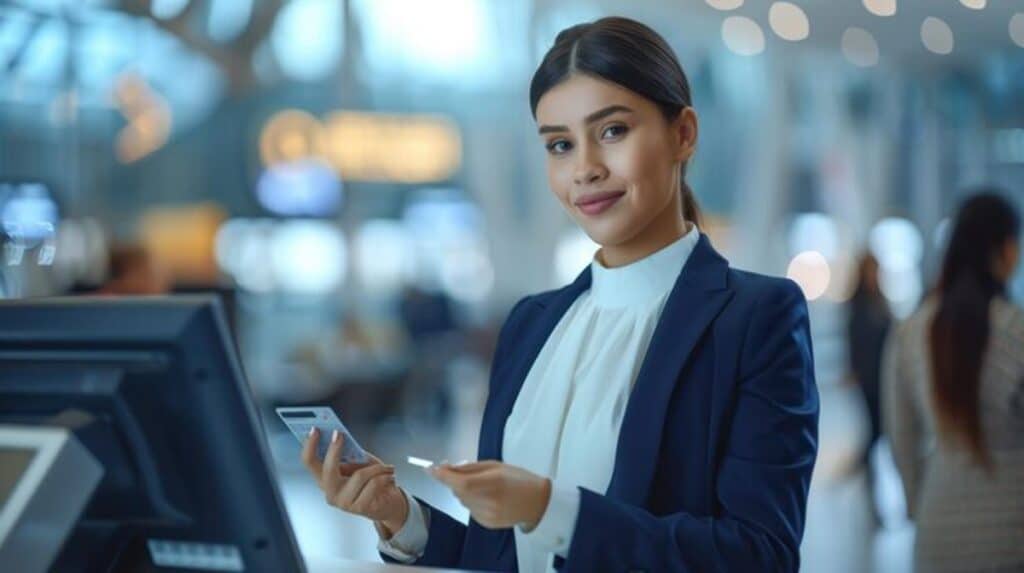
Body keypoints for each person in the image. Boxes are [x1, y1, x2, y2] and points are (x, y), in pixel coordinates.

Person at [301, 17, 819, 572]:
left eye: (613, 131)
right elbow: (504, 552)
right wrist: (400, 514)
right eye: (560, 145)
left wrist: (551, 508)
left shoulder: (754, 318)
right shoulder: (532, 324)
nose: (586, 169)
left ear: (682, 133)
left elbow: (760, 555)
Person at [883, 191, 1023, 572]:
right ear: (1006, 250)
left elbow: (901, 438)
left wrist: (919, 502)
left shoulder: (912, 332)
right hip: (1012, 532)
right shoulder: (1017, 330)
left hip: (937, 531)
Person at [845, 252, 892, 524]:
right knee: (875, 431)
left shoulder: (880, 302)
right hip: (868, 379)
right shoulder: (859, 305)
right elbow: (854, 340)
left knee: (878, 431)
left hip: (884, 377)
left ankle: (857, 468)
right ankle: (861, 474)